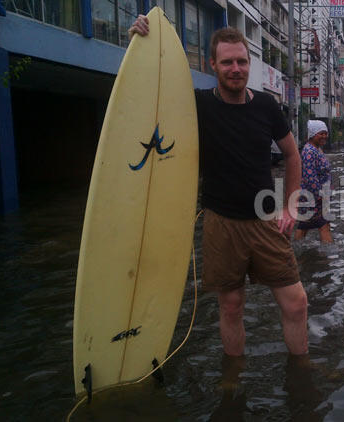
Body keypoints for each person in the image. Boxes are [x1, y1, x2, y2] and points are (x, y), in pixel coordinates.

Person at [128, 18, 308, 357]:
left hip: (265, 218)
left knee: (297, 302)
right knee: (231, 307)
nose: (235, 68)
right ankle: (233, 380)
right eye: (227, 62)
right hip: (220, 221)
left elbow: (292, 155)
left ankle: (302, 372)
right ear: (213, 65)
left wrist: (291, 207)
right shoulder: (197, 104)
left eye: (241, 61)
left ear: (248, 64)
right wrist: (140, 44)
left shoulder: (267, 106)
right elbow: (150, 91)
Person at [294, 120, 333, 244]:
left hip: (315, 196)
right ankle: (329, 253)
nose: (324, 136)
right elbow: (310, 176)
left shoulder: (316, 149)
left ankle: (294, 249)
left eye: (325, 133)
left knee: (304, 226)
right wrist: (320, 195)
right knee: (324, 225)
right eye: (321, 133)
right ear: (313, 134)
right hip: (314, 197)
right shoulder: (309, 152)